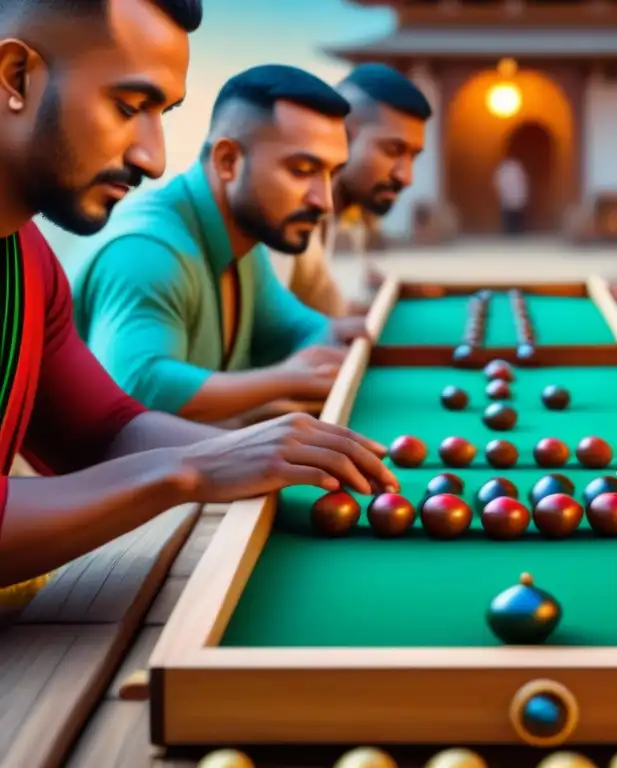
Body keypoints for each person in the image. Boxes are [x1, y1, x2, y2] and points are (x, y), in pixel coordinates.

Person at [0, 0, 396, 590]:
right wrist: (188, 468)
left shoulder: (29, 257)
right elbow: (146, 404)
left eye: (163, 114)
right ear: (15, 77)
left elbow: (102, 430)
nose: (153, 159)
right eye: (128, 107)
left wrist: (267, 450)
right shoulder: (145, 248)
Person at [69, 64, 369, 427]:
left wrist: (336, 334)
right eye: (303, 170)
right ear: (228, 161)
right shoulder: (146, 251)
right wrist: (285, 380)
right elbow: (138, 385)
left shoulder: (244, 239)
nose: (324, 201)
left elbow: (290, 327)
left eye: (331, 175)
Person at [276, 63, 432, 317]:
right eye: (393, 151)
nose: (405, 176)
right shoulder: (285, 212)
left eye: (413, 157)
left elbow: (323, 313)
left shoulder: (332, 216)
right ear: (340, 137)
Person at [494, 156, 528, 235]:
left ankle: (511, 234)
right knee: (513, 219)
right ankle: (512, 234)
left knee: (513, 219)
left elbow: (497, 183)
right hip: (513, 200)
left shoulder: (504, 170)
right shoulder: (507, 169)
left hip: (512, 200)